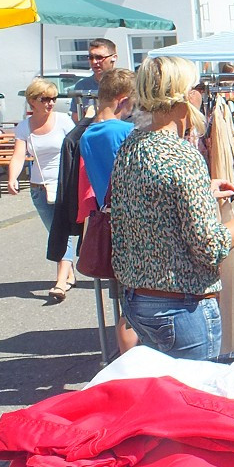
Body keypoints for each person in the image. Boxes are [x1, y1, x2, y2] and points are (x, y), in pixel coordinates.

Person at [110, 55, 234, 360]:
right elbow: (212, 246)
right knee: (194, 400)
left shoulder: (133, 144)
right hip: (180, 308)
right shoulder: (182, 156)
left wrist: (203, 191)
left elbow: (147, 208)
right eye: (200, 86)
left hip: (139, 303)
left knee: (167, 401)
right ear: (187, 95)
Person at [78, 68, 137, 354]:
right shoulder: (125, 131)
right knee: (139, 303)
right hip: (133, 222)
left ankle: (127, 363)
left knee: (128, 299)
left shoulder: (87, 135)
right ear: (122, 99)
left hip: (109, 221)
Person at [7, 78, 78, 301]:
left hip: (64, 186)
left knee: (61, 232)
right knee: (54, 233)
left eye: (53, 99)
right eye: (44, 99)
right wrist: (12, 178)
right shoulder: (24, 126)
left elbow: (77, 147)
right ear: (32, 102)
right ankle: (68, 271)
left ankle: (60, 283)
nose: (50, 103)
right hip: (40, 188)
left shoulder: (64, 121)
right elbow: (18, 155)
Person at [72, 38, 118, 123]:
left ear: (114, 58)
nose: (94, 61)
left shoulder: (125, 84)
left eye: (99, 57)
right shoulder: (82, 86)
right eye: (91, 57)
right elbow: (76, 117)